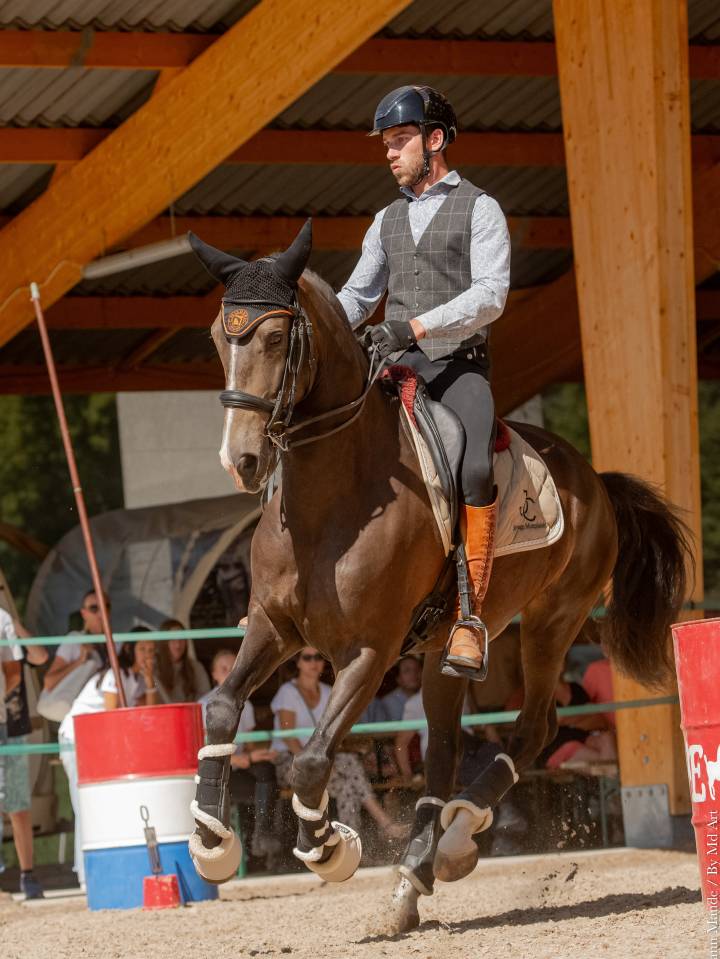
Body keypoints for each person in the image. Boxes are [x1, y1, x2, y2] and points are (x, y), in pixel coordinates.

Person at [337, 85, 511, 681]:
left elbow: (490, 295)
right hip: (396, 368)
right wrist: (316, 328)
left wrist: (413, 325)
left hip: (457, 366)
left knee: (477, 469)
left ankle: (469, 616)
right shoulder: (385, 220)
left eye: (400, 140)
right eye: (386, 144)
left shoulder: (481, 208)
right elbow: (358, 295)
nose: (390, 153)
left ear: (434, 141)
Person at [271, 648, 406, 839]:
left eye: (318, 657)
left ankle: (351, 841)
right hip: (292, 761)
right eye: (307, 657)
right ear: (298, 663)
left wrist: (325, 762)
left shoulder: (328, 692)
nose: (313, 662)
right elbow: (288, 736)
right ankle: (376, 829)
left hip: (321, 759)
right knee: (348, 779)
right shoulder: (288, 692)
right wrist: (313, 764)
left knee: (348, 780)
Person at [58, 632, 158, 887]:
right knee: (83, 805)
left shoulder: (132, 679)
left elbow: (149, 714)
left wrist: (149, 682)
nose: (149, 655)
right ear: (130, 651)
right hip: (77, 739)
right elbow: (112, 718)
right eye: (143, 649)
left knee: (93, 805)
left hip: (95, 743)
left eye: (152, 650)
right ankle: (83, 874)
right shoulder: (116, 675)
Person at [199, 649, 279, 863]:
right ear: (213, 674)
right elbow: (201, 749)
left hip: (242, 767)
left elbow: (250, 745)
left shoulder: (247, 703)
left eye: (233, 668)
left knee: (268, 772)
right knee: (266, 788)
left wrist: (258, 754)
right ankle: (259, 843)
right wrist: (240, 759)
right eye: (223, 669)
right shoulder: (204, 705)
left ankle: (262, 837)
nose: (228, 673)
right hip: (219, 775)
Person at [1, 609, 49, 898]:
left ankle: (27, 874)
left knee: (17, 803)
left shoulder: (3, 618)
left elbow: (15, 670)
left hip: (7, 723)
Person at [42, 588, 109, 694]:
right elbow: (49, 682)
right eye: (94, 608)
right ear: (84, 613)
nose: (101, 613)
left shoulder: (114, 643)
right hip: (79, 707)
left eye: (105, 607)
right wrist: (79, 661)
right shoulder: (74, 640)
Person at [155, 619, 210, 704]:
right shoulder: (153, 668)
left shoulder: (196, 667)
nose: (178, 645)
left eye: (181, 639)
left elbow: (206, 698)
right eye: (172, 640)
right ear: (163, 643)